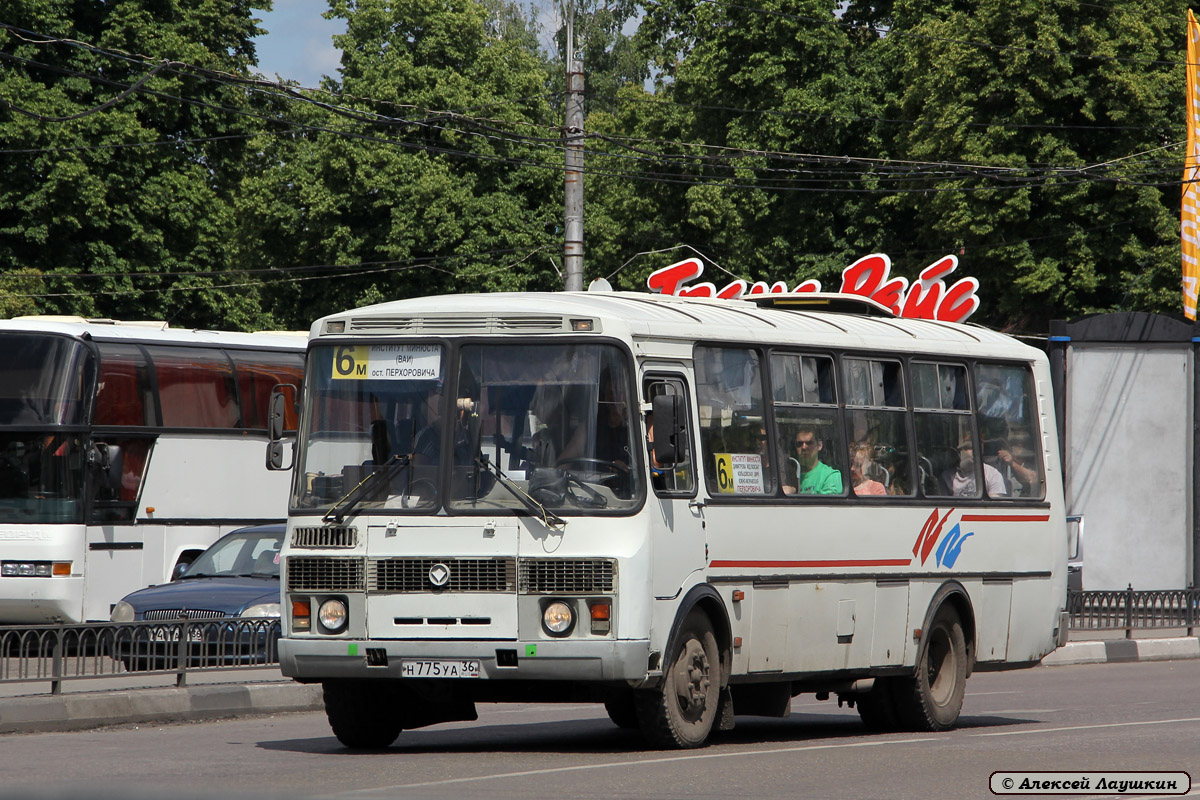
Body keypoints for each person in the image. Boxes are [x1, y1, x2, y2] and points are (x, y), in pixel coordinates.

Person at [782, 426, 843, 495]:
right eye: (799, 444)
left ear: (819, 445)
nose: (804, 447)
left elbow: (825, 504)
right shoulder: (788, 476)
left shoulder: (830, 476)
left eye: (809, 443)